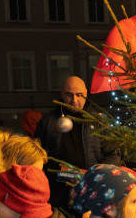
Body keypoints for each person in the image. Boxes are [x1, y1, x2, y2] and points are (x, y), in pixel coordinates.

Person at [35, 76, 122, 208]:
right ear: (62, 94)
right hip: (57, 194)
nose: (74, 100)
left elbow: (114, 155)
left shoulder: (100, 122)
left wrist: (95, 176)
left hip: (92, 191)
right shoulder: (49, 121)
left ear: (86, 94)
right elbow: (37, 154)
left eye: (79, 95)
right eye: (69, 95)